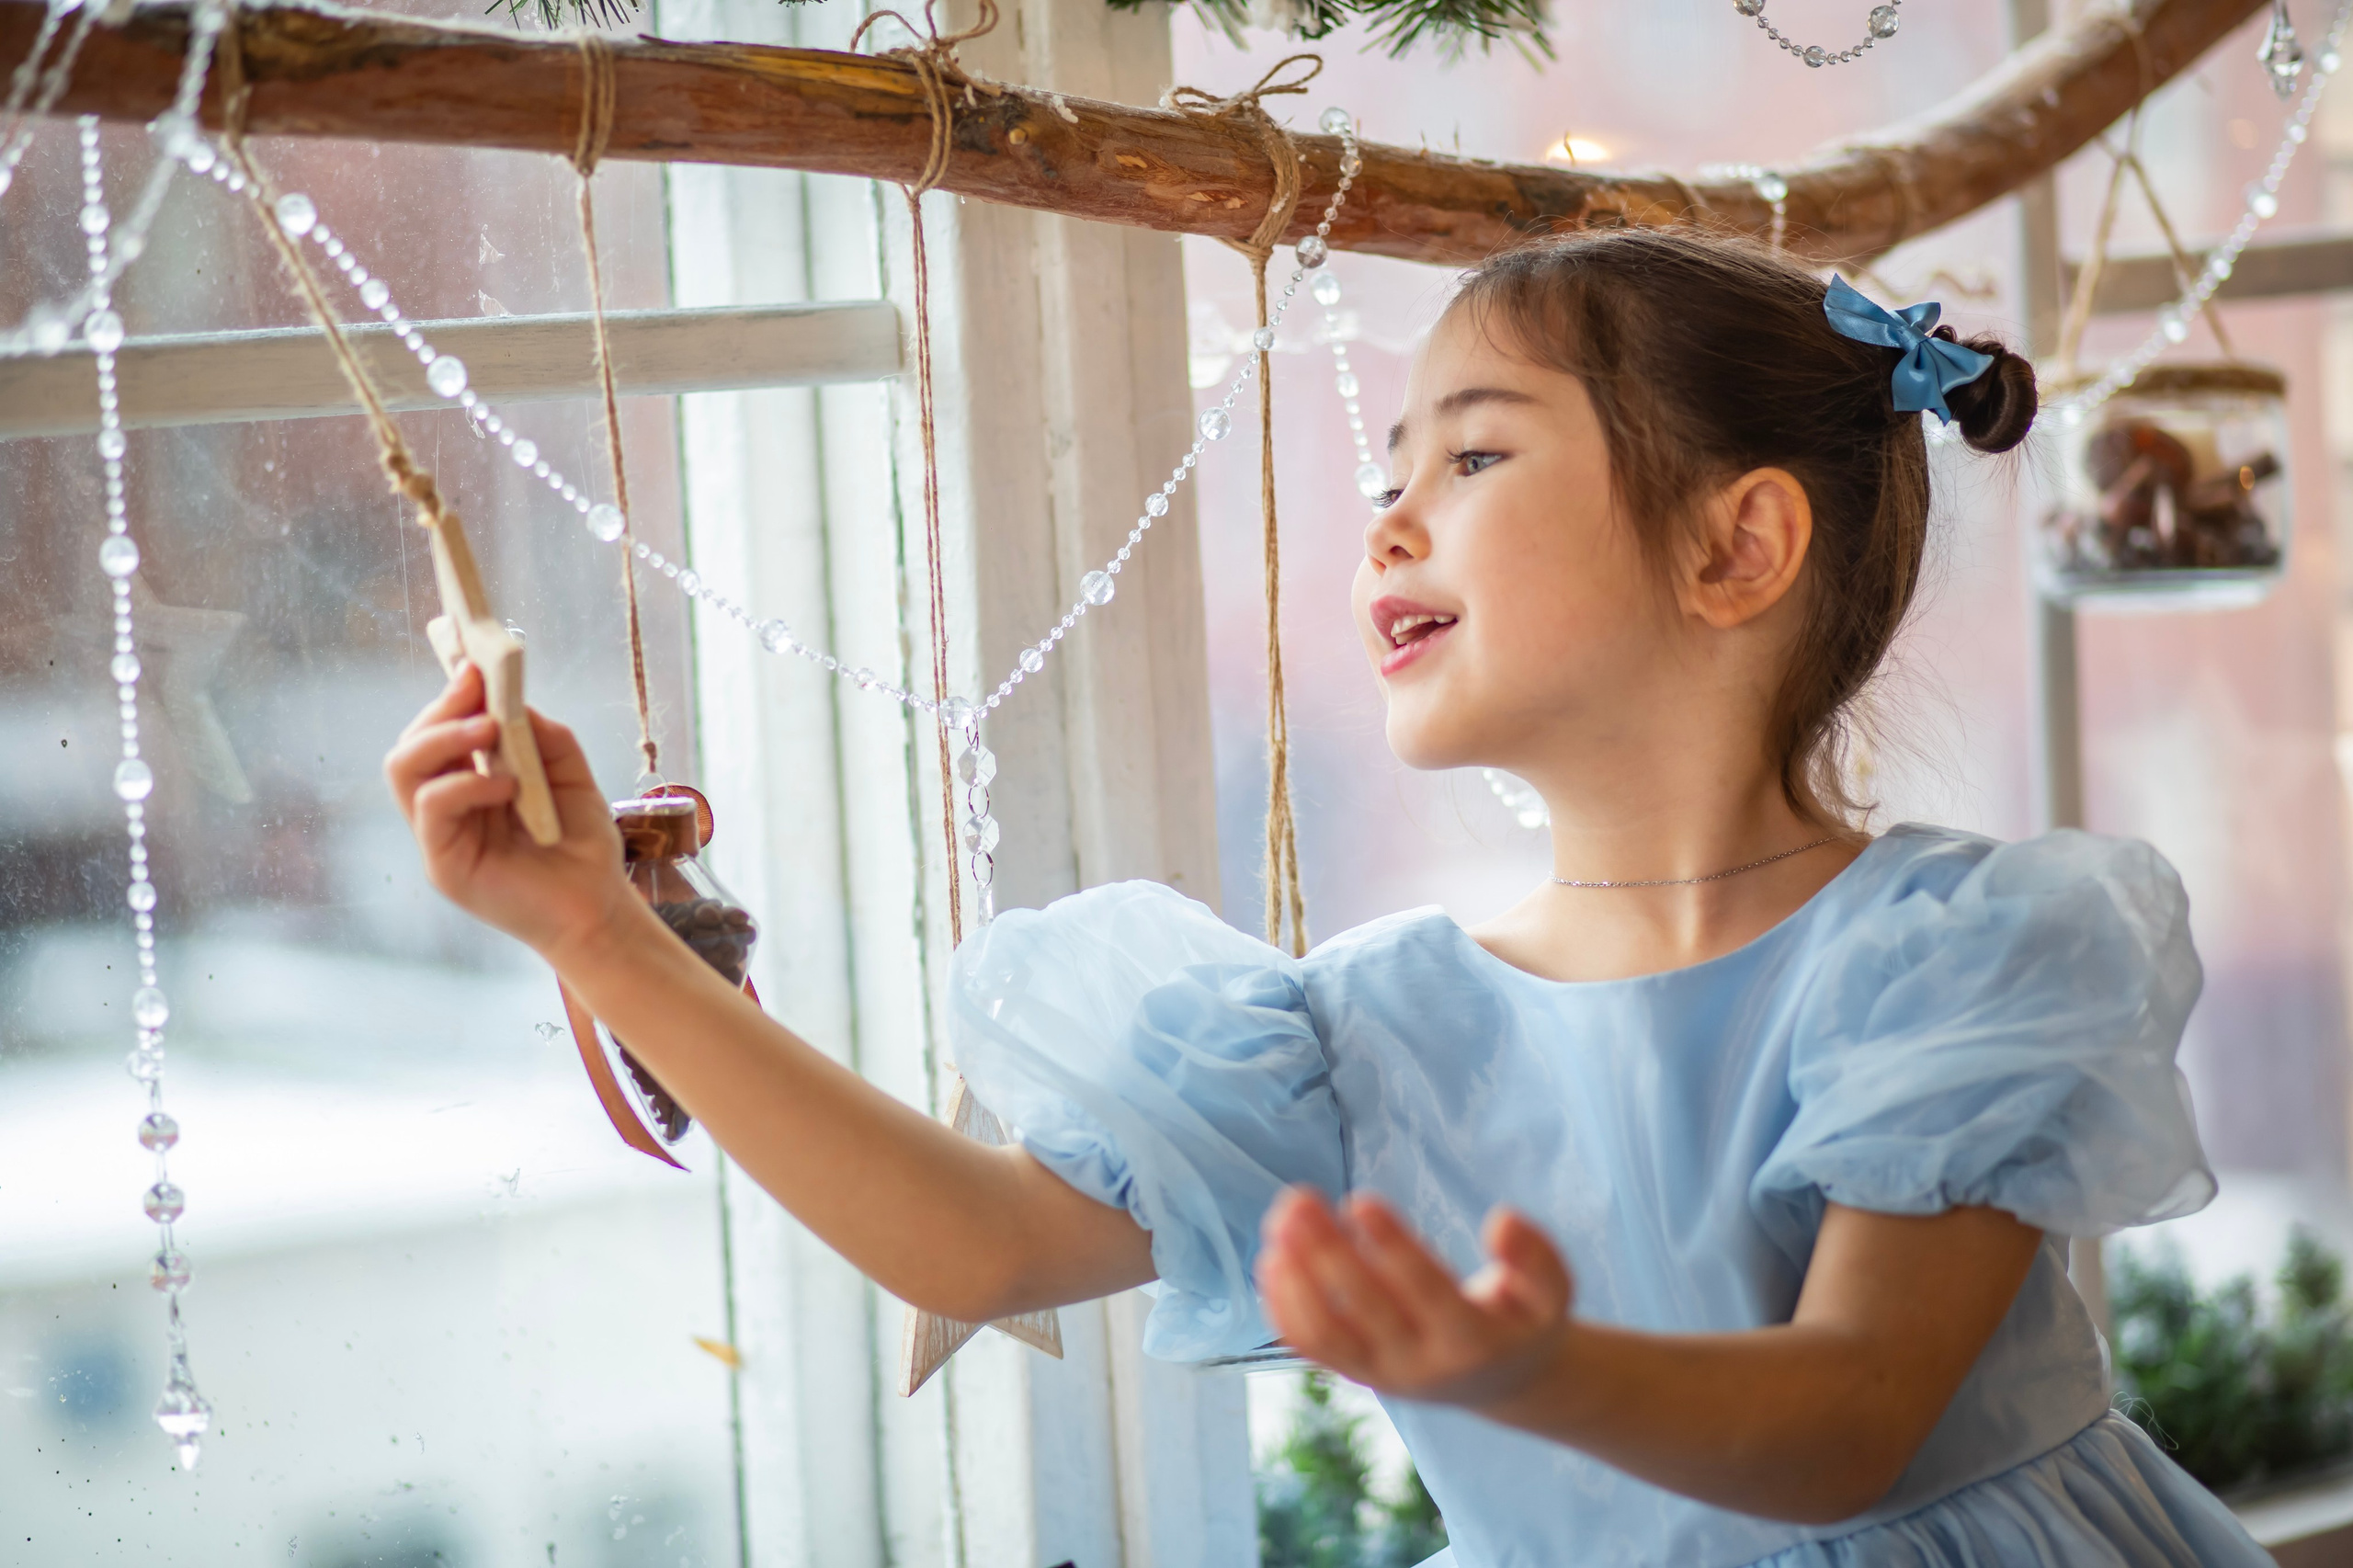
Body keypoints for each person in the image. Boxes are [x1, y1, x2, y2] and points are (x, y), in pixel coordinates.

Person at [387, 230, 2264, 1566]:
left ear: (1733, 542)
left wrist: (1533, 1364)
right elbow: (974, 1246)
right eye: (1387, 471)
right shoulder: (1370, 1026)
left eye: (1468, 454)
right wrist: (594, 930)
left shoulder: (1950, 965)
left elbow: (1844, 1418)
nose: (1383, 519)